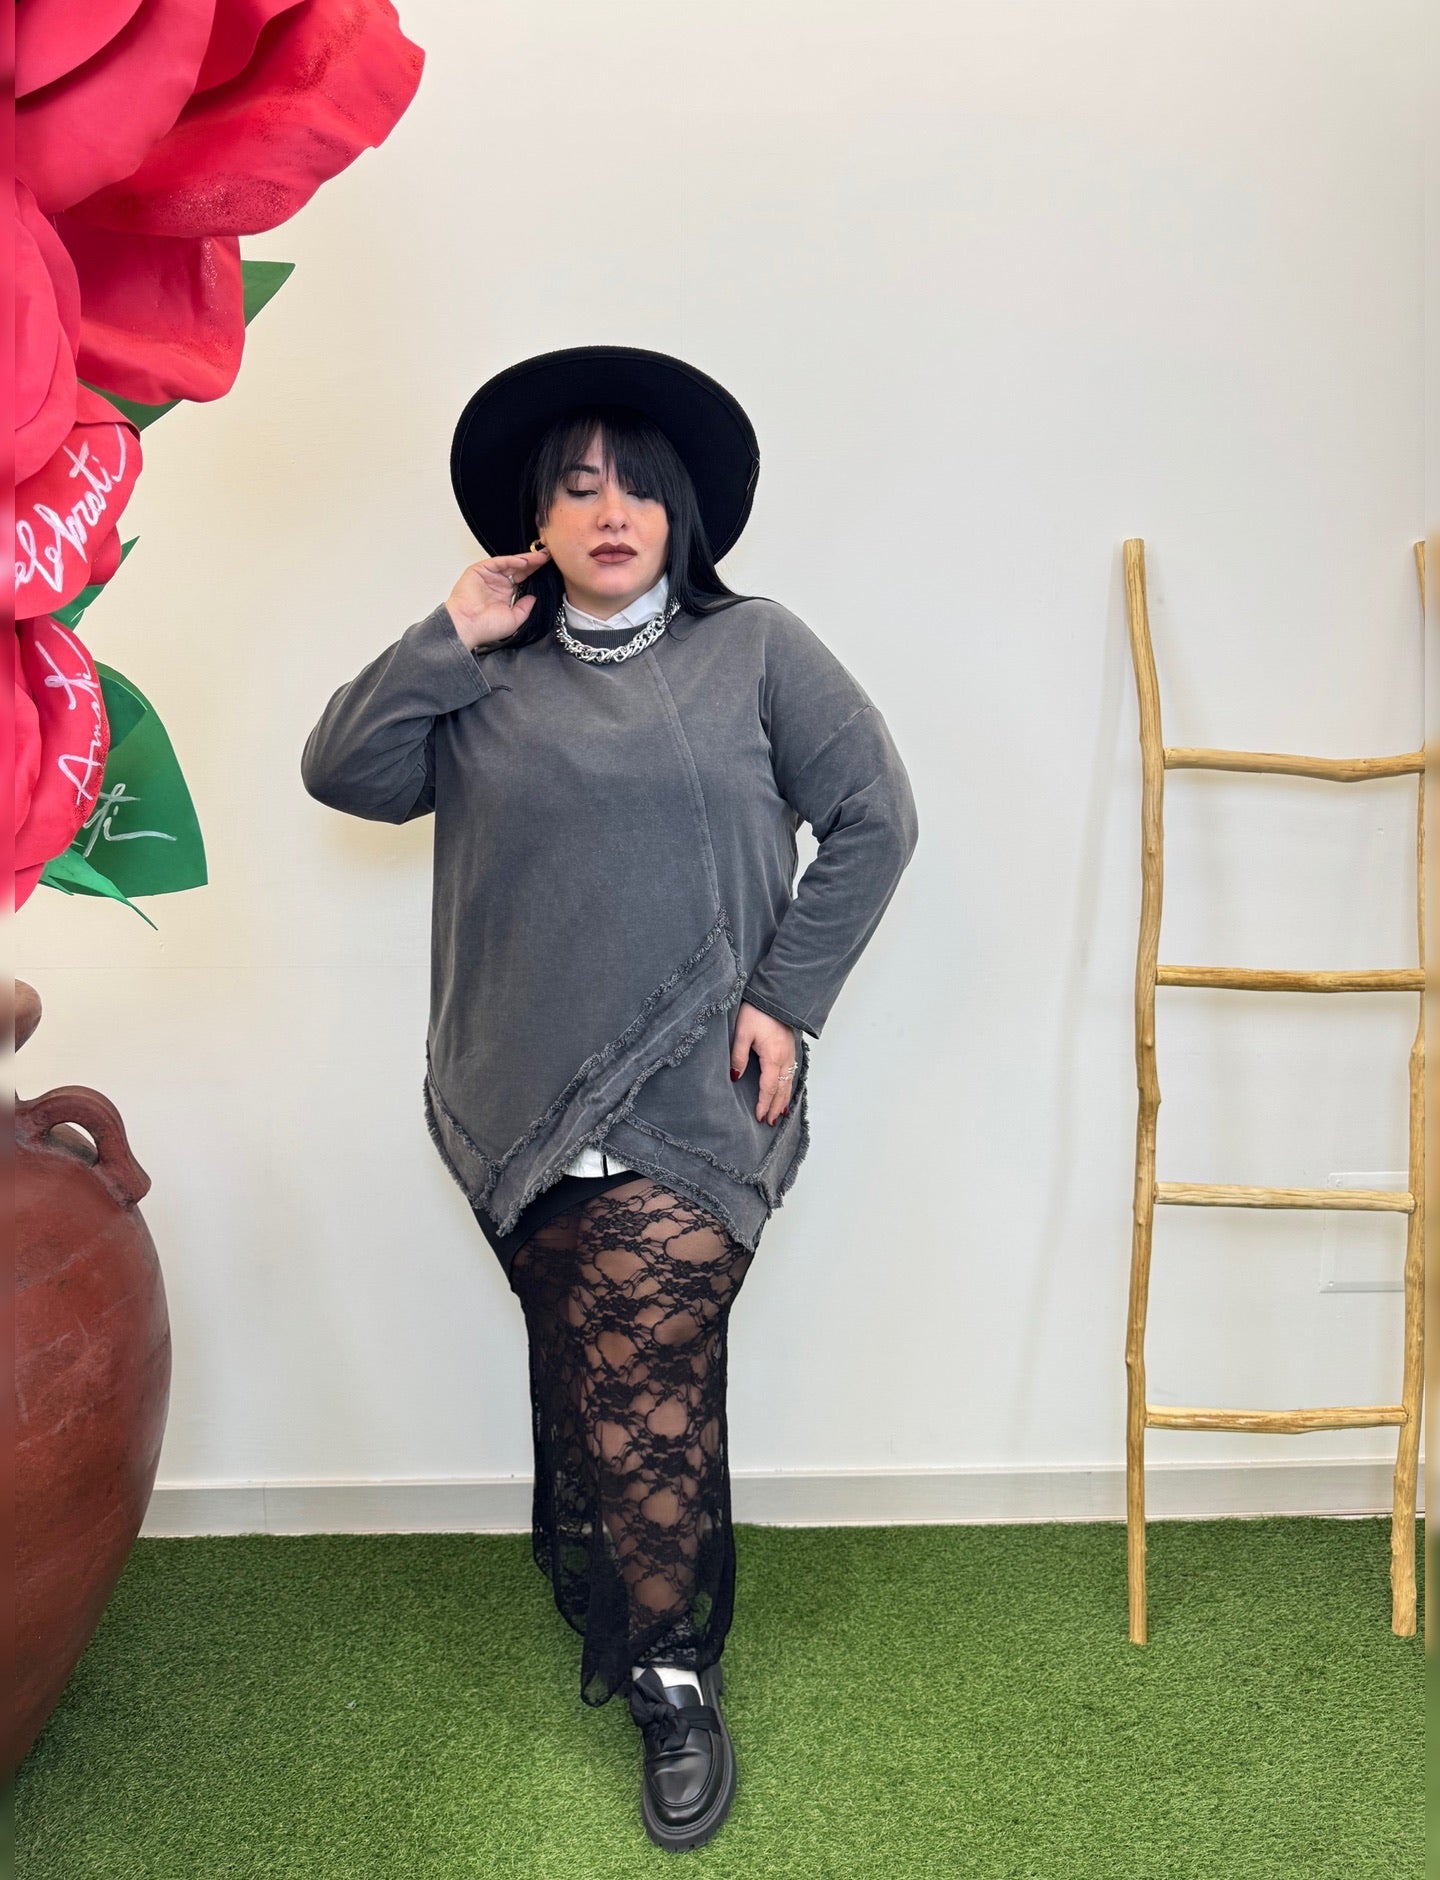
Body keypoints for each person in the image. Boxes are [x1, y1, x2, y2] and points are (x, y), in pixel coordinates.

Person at [300, 345, 919, 1851]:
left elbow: (874, 817)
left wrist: (786, 995)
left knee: (645, 1380)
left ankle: (671, 1673)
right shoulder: (482, 674)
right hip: (519, 1095)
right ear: (536, 520)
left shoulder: (757, 648)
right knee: (596, 1380)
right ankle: (638, 1611)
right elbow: (344, 770)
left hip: (699, 1094)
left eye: (638, 484)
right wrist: (448, 631)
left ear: (681, 511)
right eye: (578, 487)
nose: (612, 510)